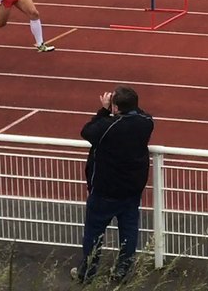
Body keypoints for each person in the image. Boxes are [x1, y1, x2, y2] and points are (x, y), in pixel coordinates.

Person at [72, 86, 154, 284]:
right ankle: (122, 272)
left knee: (93, 234)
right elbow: (142, 114)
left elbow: (87, 131)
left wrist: (104, 110)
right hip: (132, 190)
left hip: (105, 190)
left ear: (116, 107)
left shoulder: (108, 126)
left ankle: (87, 272)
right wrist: (121, 107)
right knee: (129, 233)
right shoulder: (146, 123)